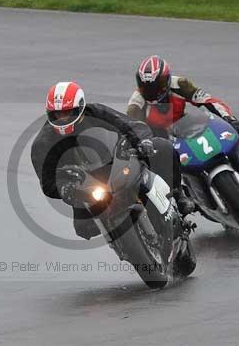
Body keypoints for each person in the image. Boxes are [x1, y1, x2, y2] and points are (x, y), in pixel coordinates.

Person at [30, 81, 196, 240]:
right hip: (85, 185)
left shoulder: (96, 112)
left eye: (68, 112)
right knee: (84, 229)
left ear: (80, 107)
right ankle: (122, 244)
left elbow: (129, 124)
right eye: (58, 114)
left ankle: (178, 195)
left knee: (163, 147)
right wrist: (66, 189)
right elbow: (48, 182)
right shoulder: (42, 143)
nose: (63, 118)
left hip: (116, 163)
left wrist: (141, 142)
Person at [126, 55, 239, 187]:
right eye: (147, 88)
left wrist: (229, 118)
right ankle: (179, 191)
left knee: (210, 126)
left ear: (167, 80)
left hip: (182, 123)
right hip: (157, 135)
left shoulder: (180, 84)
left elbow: (208, 101)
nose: (153, 92)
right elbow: (134, 127)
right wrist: (143, 145)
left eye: (158, 85)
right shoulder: (136, 103)